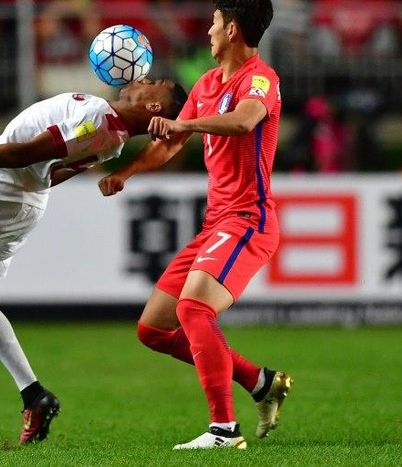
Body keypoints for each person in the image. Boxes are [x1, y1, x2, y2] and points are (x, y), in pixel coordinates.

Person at [0, 78, 188, 444]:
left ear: (153, 108)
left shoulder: (98, 120)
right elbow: (50, 172)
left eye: (155, 84)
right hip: (22, 202)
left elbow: (23, 155)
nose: (144, 79)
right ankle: (34, 396)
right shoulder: (113, 140)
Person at [98, 0, 291, 450]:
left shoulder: (261, 79)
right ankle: (260, 383)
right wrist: (126, 173)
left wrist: (187, 120)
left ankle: (224, 429)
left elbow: (244, 122)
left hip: (248, 220)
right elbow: (170, 145)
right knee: (153, 328)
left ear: (233, 30)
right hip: (216, 225)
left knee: (193, 310)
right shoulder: (206, 84)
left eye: (214, 22)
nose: (207, 30)